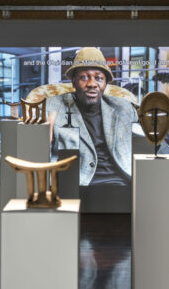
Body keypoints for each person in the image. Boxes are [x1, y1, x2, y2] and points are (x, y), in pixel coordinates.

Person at [46, 47, 138, 186]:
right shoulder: (52, 106)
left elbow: (152, 147)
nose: (92, 84)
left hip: (120, 182)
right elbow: (36, 157)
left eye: (99, 78)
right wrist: (43, 140)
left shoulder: (124, 108)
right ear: (73, 81)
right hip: (75, 185)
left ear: (105, 83)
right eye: (84, 77)